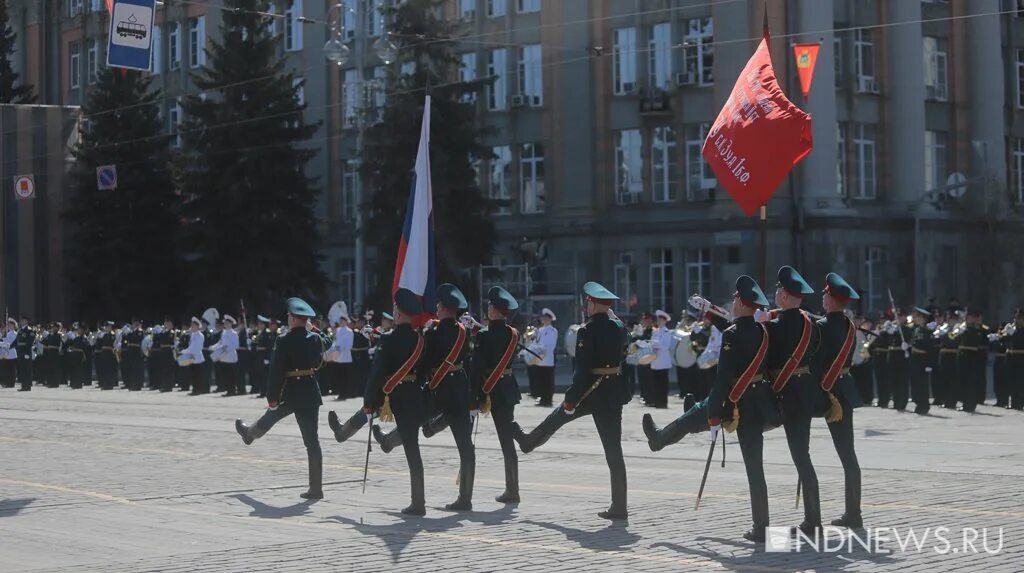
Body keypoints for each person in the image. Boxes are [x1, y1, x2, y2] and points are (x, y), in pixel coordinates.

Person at [644, 276, 776, 541]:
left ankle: (660, 439)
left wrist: (714, 412)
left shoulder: (731, 335)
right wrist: (710, 312)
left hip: (731, 403)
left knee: (695, 416)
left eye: (735, 299)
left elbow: (722, 378)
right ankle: (762, 528)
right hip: (758, 404)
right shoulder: (763, 332)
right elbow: (739, 331)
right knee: (755, 468)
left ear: (739, 301)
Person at [513, 282, 630, 520]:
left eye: (588, 302)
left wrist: (571, 399)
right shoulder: (619, 327)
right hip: (612, 392)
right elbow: (624, 343)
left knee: (558, 416)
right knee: (614, 451)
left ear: (595, 304)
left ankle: (528, 442)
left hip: (591, 391)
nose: (586, 305)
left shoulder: (586, 331)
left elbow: (582, 369)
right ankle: (620, 506)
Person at [328, 289, 428, 515]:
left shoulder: (388, 339)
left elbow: (377, 373)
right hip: (412, 393)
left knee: (366, 413)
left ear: (398, 313)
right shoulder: (420, 339)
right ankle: (418, 501)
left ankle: (342, 432)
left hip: (389, 393)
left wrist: (369, 400)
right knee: (413, 448)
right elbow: (422, 371)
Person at [378, 284, 477, 511]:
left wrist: (416, 381)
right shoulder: (463, 332)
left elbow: (423, 361)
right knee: (465, 446)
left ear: (442, 308)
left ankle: (390, 442)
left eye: (438, 306)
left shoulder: (433, 333)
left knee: (411, 425)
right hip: (460, 388)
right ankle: (465, 499)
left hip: (438, 390)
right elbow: (468, 360)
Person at [235, 297, 328, 500]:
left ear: (294, 319)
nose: (287, 319)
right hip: (310, 392)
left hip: (290, 391)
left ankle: (250, 434)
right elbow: (328, 343)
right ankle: (316, 488)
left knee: (271, 416)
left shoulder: (284, 340)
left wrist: (272, 397)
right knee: (312, 442)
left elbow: (276, 371)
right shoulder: (315, 338)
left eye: (289, 316)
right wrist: (316, 330)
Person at [763, 266, 822, 537]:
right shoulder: (812, 323)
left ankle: (813, 521)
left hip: (783, 392)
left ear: (785, 296)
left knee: (800, 457)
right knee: (804, 455)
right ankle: (813, 518)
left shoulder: (774, 327)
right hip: (806, 391)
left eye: (778, 290)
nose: (775, 293)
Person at [812, 273, 864, 529]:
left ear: (832, 299)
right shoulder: (849, 325)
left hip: (825, 390)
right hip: (843, 387)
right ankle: (853, 512)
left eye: (825, 294)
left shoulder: (821, 327)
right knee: (848, 454)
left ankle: (848, 515)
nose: (822, 297)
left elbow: (815, 361)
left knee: (841, 453)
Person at [952, 308, 989, 412]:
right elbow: (952, 338)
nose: (970, 319)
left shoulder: (975, 329)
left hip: (971, 356)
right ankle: (965, 402)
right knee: (962, 380)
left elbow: (977, 340)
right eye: (968, 317)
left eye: (972, 317)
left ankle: (970, 404)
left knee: (970, 382)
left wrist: (964, 331)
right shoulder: (962, 327)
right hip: (962, 356)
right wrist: (956, 332)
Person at [908, 307, 936, 415]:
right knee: (916, 384)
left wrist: (915, 349)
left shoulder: (927, 331)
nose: (916, 319)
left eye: (918, 317)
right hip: (915, 361)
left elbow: (930, 348)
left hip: (923, 361)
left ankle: (924, 405)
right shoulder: (916, 329)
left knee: (923, 385)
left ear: (923, 319)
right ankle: (918, 403)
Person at [325, 312, 354, 399]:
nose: (341, 322)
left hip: (346, 357)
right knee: (339, 377)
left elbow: (349, 345)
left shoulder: (350, 331)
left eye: (343, 321)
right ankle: (340, 393)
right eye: (340, 321)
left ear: (346, 321)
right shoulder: (337, 330)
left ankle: (345, 394)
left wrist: (339, 348)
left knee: (345, 377)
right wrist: (331, 350)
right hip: (338, 357)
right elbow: (335, 342)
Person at [648, 310, 673, 409]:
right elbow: (651, 343)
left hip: (663, 361)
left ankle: (663, 402)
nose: (658, 322)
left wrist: (656, 344)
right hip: (655, 362)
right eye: (658, 320)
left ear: (665, 321)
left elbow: (666, 346)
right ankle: (657, 401)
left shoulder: (667, 332)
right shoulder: (656, 332)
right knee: (656, 383)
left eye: (660, 320)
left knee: (663, 384)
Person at [534, 308, 558, 407]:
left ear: (550, 319)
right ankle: (543, 399)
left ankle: (548, 399)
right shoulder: (540, 330)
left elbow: (551, 345)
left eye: (545, 318)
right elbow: (537, 342)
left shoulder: (553, 330)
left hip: (547, 359)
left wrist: (540, 349)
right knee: (541, 380)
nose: (543, 319)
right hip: (540, 359)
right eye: (543, 317)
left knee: (548, 380)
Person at [850, 314, 874, 405]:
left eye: (860, 320)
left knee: (864, 383)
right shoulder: (852, 331)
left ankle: (866, 399)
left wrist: (865, 357)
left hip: (862, 361)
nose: (858, 322)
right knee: (855, 383)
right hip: (853, 361)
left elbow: (863, 347)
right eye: (856, 320)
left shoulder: (861, 331)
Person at [214, 315, 241, 396]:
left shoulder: (234, 333)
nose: (225, 324)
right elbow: (221, 343)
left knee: (231, 375)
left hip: (231, 357)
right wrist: (214, 347)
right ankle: (228, 389)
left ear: (231, 324)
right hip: (224, 356)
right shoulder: (224, 332)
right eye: (225, 323)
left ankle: (232, 390)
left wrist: (226, 348)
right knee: (225, 374)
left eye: (227, 323)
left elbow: (236, 345)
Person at [182, 317, 207, 395]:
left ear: (197, 326)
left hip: (197, 358)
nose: (191, 327)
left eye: (193, 325)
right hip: (192, 357)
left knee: (198, 375)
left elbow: (195, 347)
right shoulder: (193, 335)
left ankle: (198, 390)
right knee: (193, 375)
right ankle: (194, 389)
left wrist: (184, 351)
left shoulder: (200, 335)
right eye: (191, 325)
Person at [1005, 308, 1024, 410]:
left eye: (1019, 318)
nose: (1017, 320)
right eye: (1016, 318)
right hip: (1011, 357)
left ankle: (1020, 403)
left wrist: (1014, 334)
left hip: (1021, 357)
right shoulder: (1012, 328)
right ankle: (1013, 402)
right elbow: (1005, 341)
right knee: (1011, 381)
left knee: (1020, 381)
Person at [121, 319, 146, 391]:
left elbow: (138, 339)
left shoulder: (140, 331)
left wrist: (131, 332)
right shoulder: (131, 331)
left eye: (136, 323)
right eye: (134, 323)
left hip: (137, 352)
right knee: (132, 369)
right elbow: (126, 340)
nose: (135, 324)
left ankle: (138, 385)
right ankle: (132, 384)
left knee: (138, 370)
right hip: (131, 352)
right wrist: (125, 333)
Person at [94, 322, 118, 390]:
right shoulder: (104, 335)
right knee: (105, 370)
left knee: (109, 370)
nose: (106, 328)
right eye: (106, 326)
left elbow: (114, 345)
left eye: (108, 326)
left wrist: (106, 348)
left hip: (110, 354)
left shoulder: (112, 334)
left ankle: (109, 385)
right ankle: (105, 384)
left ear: (110, 327)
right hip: (104, 355)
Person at [14, 317, 36, 392]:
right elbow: (16, 341)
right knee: (22, 369)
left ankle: (27, 386)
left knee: (27, 369)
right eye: (21, 320)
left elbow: (30, 342)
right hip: (20, 352)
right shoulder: (20, 330)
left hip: (26, 352)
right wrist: (9, 346)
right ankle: (24, 385)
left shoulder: (30, 330)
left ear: (26, 321)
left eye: (23, 320)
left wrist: (26, 353)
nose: (21, 322)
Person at [1, 318, 18, 388]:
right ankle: (8, 382)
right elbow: (5, 341)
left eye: (11, 325)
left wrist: (6, 343)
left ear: (14, 326)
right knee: (7, 369)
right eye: (9, 325)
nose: (10, 326)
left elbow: (12, 343)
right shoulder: (7, 333)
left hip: (12, 353)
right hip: (7, 354)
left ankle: (12, 383)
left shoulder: (15, 333)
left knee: (12, 370)